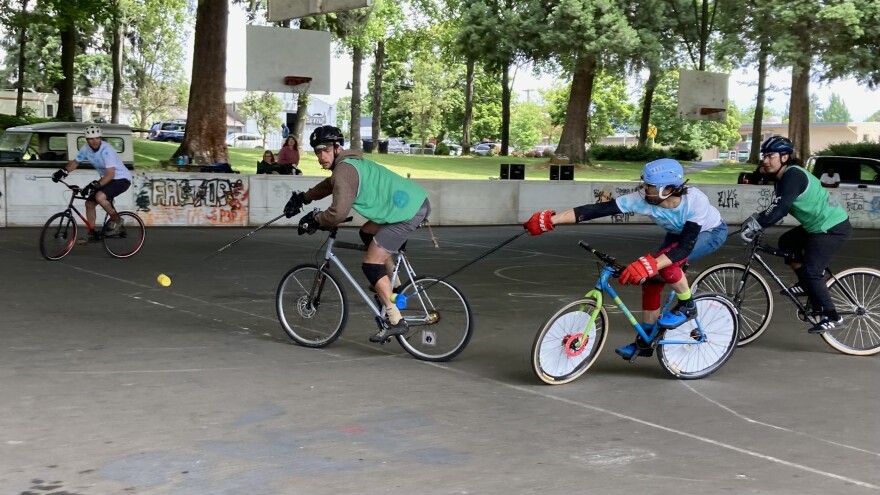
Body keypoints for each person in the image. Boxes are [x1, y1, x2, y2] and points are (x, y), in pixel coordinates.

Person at [523, 158, 728, 360]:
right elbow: (598, 210)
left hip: (710, 232)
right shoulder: (641, 199)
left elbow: (684, 247)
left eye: (649, 186)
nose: (643, 188)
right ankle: (646, 341)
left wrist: (651, 264)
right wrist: (552, 220)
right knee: (651, 282)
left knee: (666, 265)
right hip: (676, 234)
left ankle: (688, 305)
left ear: (667, 189)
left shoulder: (695, 200)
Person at [282, 125, 431, 343]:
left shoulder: (344, 170)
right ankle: (395, 286)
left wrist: (315, 220)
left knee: (370, 264)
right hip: (410, 205)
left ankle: (395, 319)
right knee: (367, 232)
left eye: (324, 150)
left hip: (407, 212)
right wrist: (304, 198)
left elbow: (338, 212)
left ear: (336, 148)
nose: (321, 155)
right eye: (316, 151)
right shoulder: (347, 165)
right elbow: (329, 185)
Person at [741, 136, 852, 333]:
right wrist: (757, 220)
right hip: (816, 226)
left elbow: (780, 209)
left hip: (832, 227)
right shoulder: (782, 178)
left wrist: (757, 225)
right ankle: (805, 284)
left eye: (770, 156)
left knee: (812, 271)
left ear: (784, 157)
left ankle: (832, 315)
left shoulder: (793, 176)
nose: (765, 161)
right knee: (787, 241)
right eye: (764, 156)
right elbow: (775, 205)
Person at [51, 125, 132, 244]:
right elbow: (75, 162)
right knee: (89, 204)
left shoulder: (107, 150)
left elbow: (110, 174)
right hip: (107, 179)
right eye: (90, 139)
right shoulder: (85, 149)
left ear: (100, 138)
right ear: (86, 140)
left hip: (121, 179)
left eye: (96, 138)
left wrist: (95, 185)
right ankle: (91, 233)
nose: (94, 141)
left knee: (100, 196)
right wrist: (63, 171)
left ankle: (116, 220)